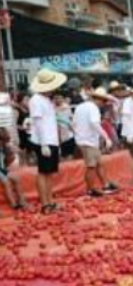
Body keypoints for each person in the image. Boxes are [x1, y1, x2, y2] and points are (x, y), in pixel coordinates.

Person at [30, 69, 67, 215]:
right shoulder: (36, 100)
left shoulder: (46, 100)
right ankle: (45, 204)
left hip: (51, 140)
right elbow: (38, 123)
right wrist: (44, 143)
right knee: (43, 172)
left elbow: (49, 121)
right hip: (42, 140)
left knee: (49, 173)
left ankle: (50, 201)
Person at [73, 87, 118, 197]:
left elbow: (73, 123)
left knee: (99, 163)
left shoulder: (80, 106)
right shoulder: (93, 108)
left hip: (84, 139)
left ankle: (106, 184)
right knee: (91, 166)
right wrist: (106, 137)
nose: (104, 103)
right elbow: (95, 123)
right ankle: (90, 189)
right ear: (98, 99)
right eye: (103, 101)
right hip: (88, 140)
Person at [0, 127, 27, 213]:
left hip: (2, 170)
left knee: (16, 179)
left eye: (3, 141)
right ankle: (14, 204)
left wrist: (13, 154)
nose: (1, 143)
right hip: (1, 171)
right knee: (6, 182)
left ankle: (22, 201)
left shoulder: (4, 148)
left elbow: (7, 161)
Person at [54, 92, 76, 160]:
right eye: (56, 98)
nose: (58, 100)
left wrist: (74, 131)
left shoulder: (65, 107)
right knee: (63, 157)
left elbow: (70, 120)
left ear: (63, 99)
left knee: (69, 156)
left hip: (68, 136)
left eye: (60, 98)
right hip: (60, 137)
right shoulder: (53, 109)